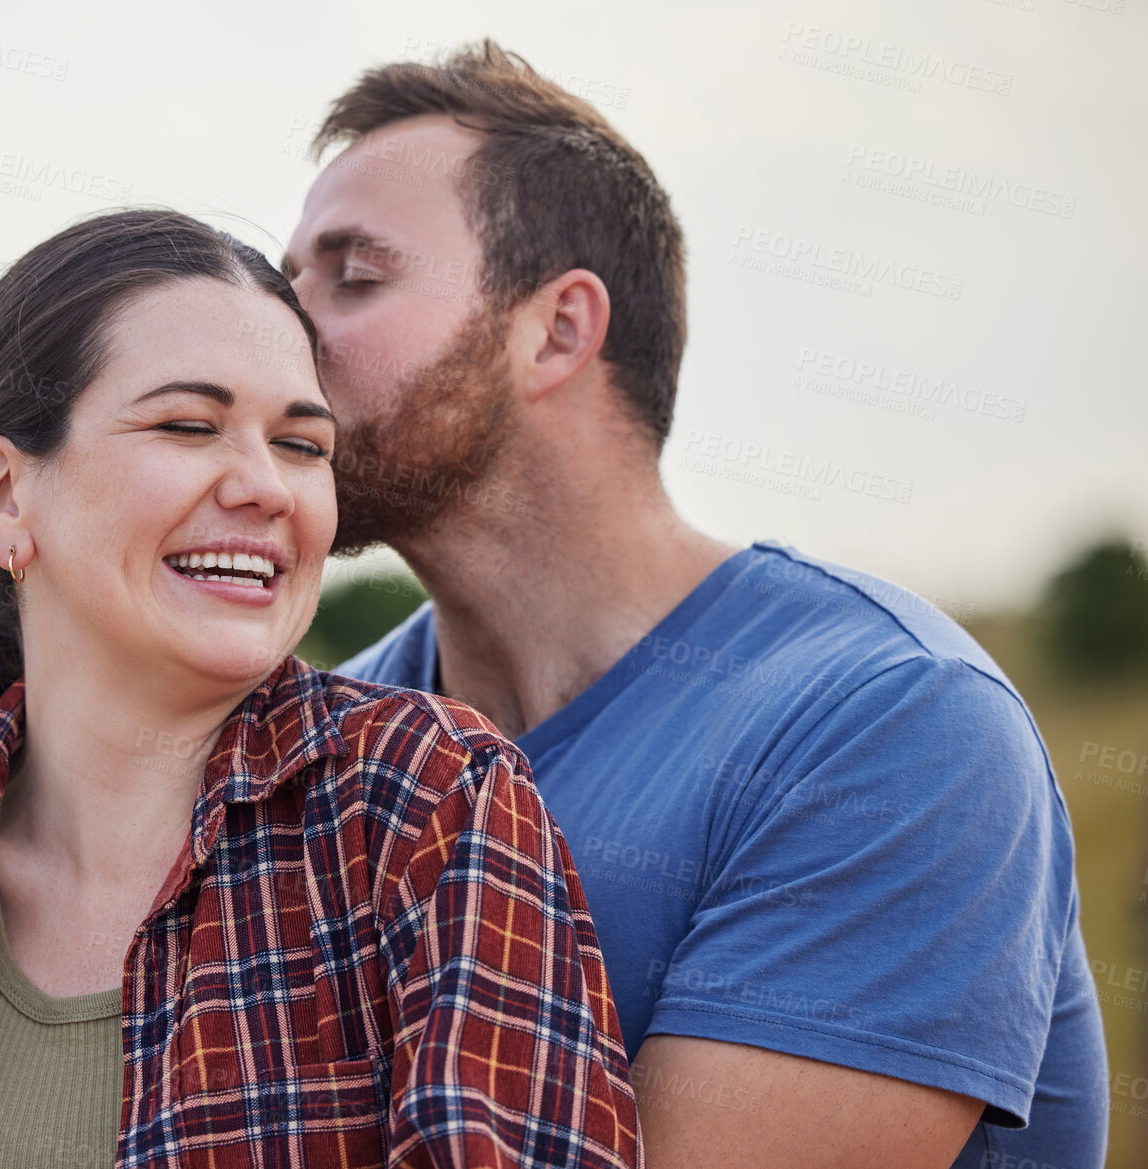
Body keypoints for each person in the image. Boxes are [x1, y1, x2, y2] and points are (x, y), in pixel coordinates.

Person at [281, 40, 1107, 1169]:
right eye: (286, 285)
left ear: (558, 330)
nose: (278, 334)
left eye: (352, 277)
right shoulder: (315, 739)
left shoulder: (888, 728)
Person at [0, 208, 643, 1168]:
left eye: (303, 444)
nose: (266, 486)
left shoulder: (429, 803)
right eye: (188, 426)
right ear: (3, 497)